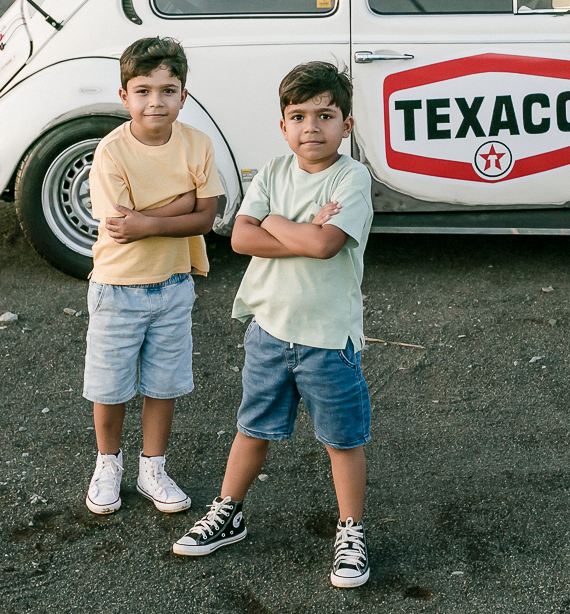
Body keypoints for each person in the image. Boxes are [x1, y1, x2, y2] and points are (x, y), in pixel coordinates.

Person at [172, 61, 374, 589]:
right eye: (298, 116)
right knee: (252, 427)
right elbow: (240, 239)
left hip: (328, 338)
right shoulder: (272, 172)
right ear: (283, 126)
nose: (312, 127)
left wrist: (278, 224)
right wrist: (298, 229)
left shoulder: (352, 178)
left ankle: (351, 532)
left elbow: (326, 245)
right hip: (268, 330)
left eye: (325, 115)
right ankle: (229, 511)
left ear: (346, 125)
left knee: (342, 440)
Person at [82, 36, 224, 516]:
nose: (156, 102)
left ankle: (153, 467)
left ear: (184, 94)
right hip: (117, 288)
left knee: (164, 384)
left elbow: (208, 218)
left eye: (168, 90)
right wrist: (183, 203)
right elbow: (122, 227)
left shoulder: (196, 144)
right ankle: (108, 463)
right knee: (110, 385)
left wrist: (152, 220)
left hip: (174, 284)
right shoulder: (112, 152)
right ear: (124, 96)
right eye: (143, 90)